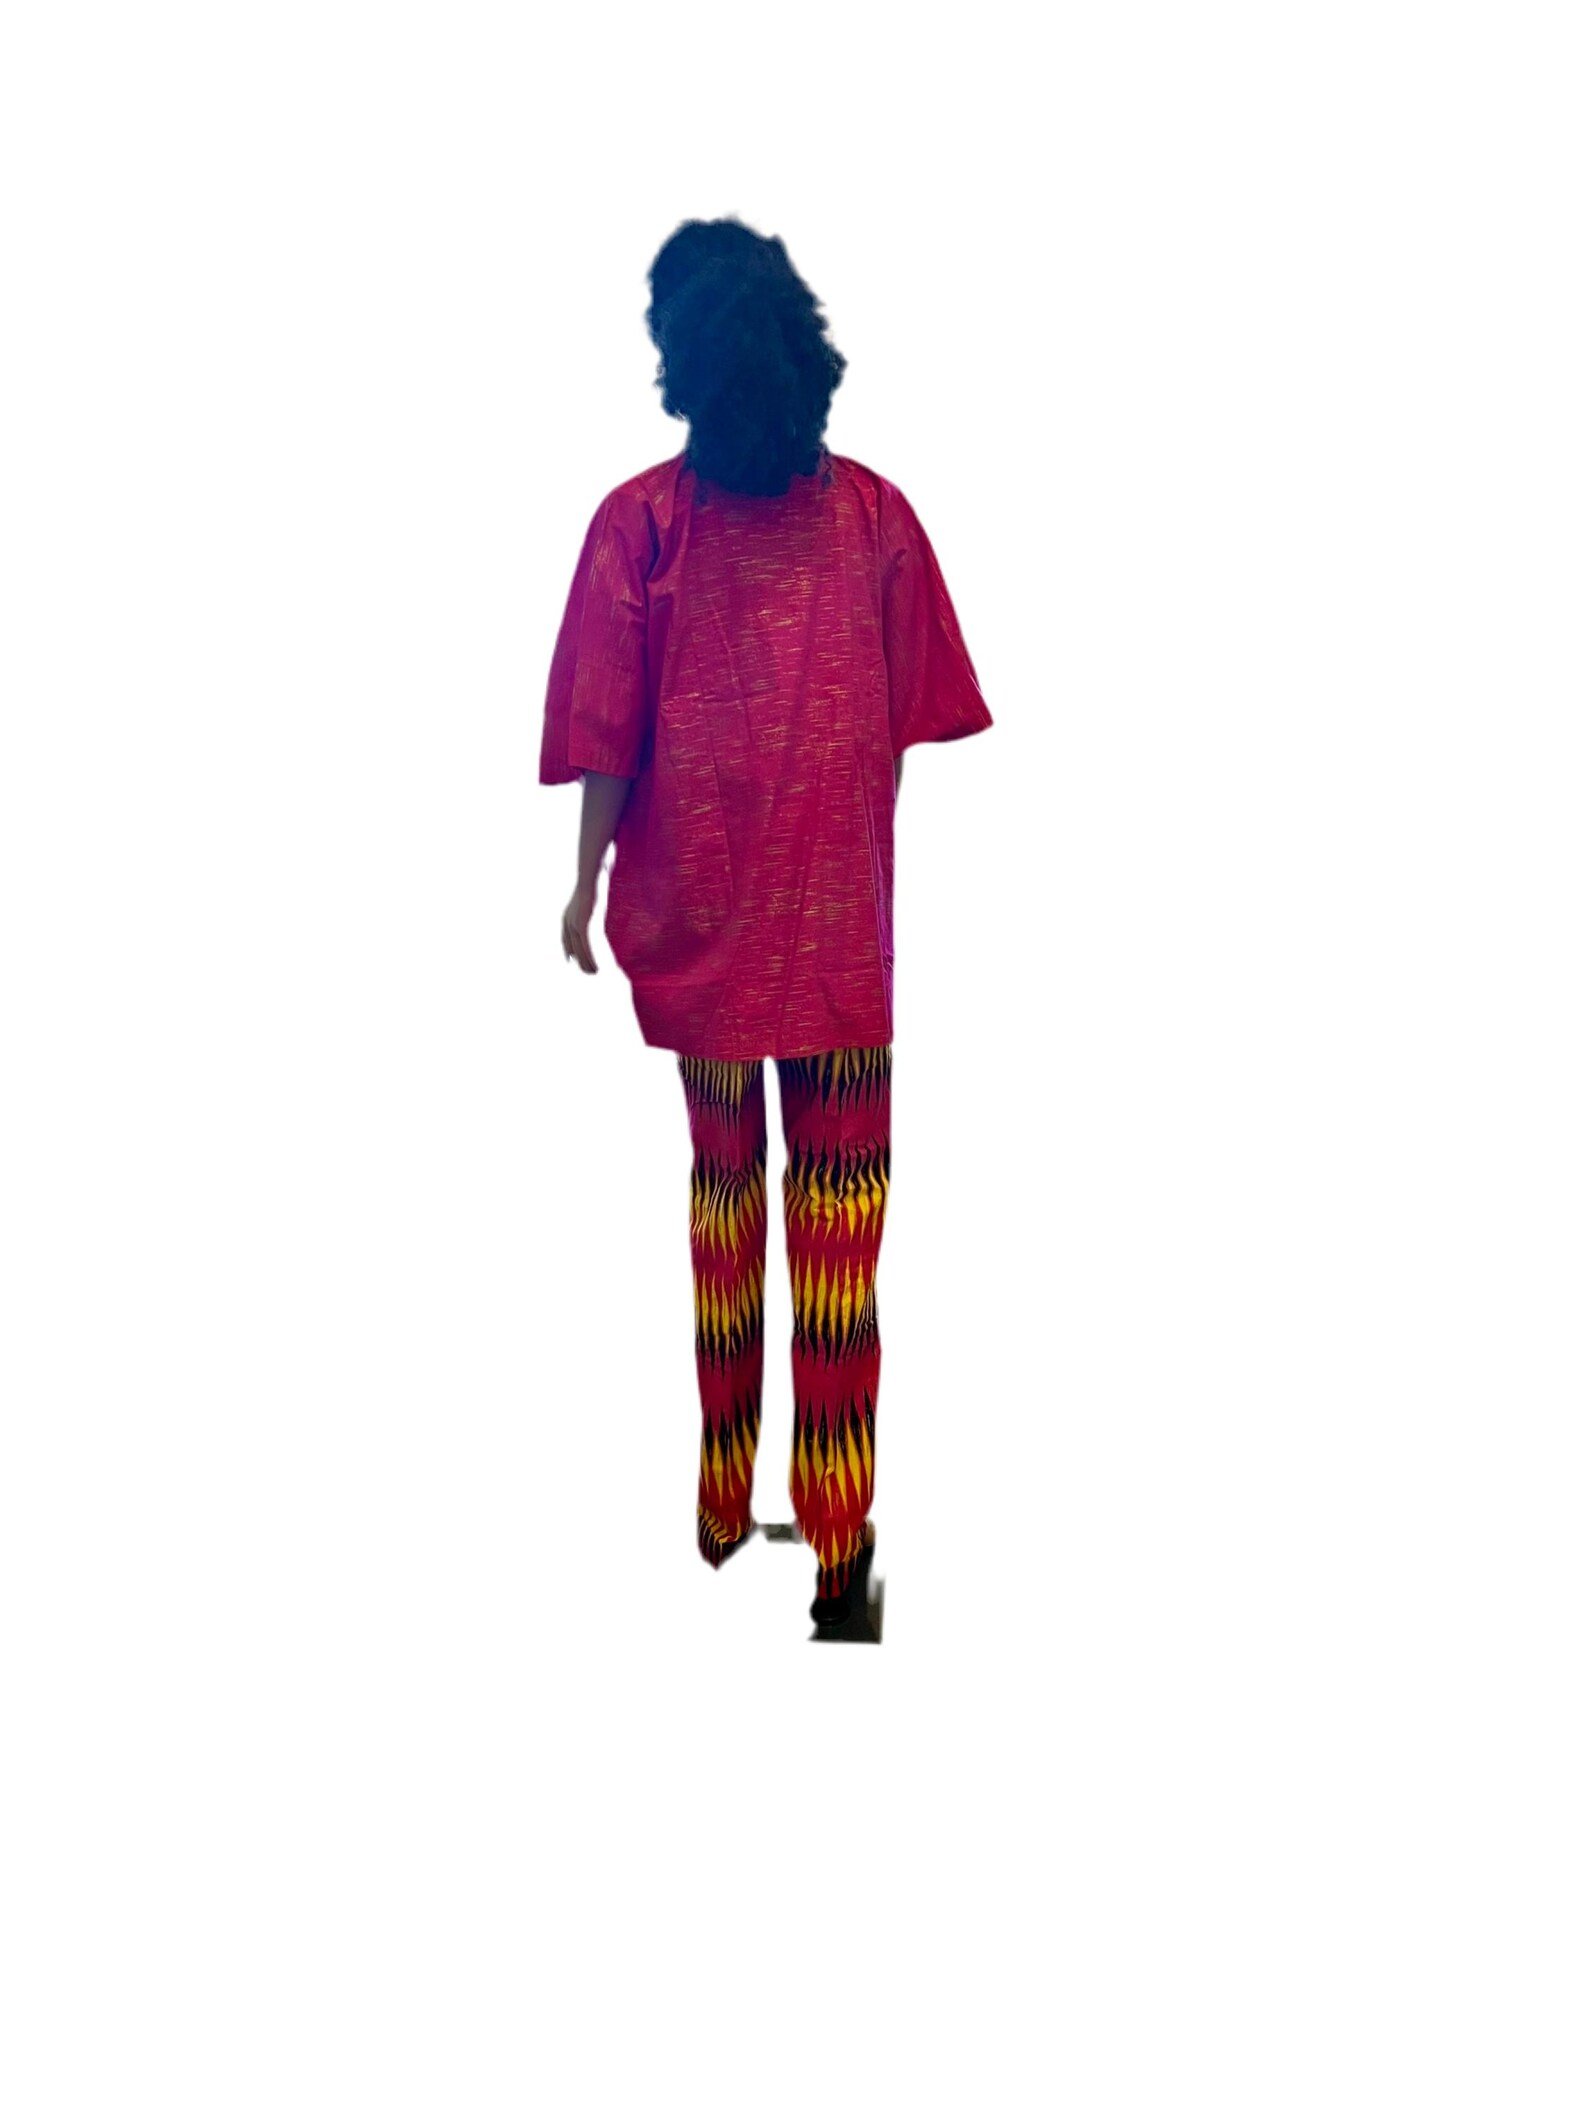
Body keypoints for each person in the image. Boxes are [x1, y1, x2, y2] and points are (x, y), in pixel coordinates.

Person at [538, 215, 993, 1634]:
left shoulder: (642, 525)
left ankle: (726, 1505)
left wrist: (584, 880)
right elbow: (900, 727)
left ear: (679, 359)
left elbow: (607, 736)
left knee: (726, 1210)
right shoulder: (875, 519)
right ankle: (842, 1547)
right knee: (841, 1239)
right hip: (842, 947)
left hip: (702, 939)